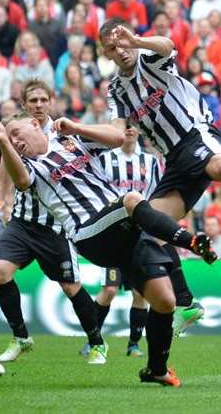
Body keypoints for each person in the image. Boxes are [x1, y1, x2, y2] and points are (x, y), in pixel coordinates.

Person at [0, 112, 216, 386]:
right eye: (10, 138)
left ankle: (156, 370)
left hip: (124, 233)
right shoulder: (30, 165)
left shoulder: (70, 140)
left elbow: (116, 137)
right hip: (89, 233)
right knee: (132, 199)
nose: (15, 141)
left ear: (34, 124)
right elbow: (21, 181)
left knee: (164, 301)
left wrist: (76, 126)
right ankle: (191, 242)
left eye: (16, 133)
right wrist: (4, 142)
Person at [99, 18, 221, 336]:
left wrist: (136, 40)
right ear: (106, 53)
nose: (120, 50)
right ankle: (186, 302)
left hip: (195, 133)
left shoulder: (149, 58)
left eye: (122, 41)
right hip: (173, 162)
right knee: (149, 227)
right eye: (113, 47)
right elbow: (114, 131)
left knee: (214, 164)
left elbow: (168, 45)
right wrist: (78, 131)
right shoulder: (116, 91)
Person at [0, 81, 105, 366]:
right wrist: (4, 198)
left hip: (55, 227)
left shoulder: (64, 133)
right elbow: (9, 167)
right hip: (22, 222)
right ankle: (21, 337)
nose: (40, 104)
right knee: (0, 272)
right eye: (33, 100)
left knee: (71, 288)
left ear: (51, 102)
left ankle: (96, 341)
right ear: (25, 106)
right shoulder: (17, 132)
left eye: (44, 99)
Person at [80, 121, 163, 358]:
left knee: (140, 293)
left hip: (141, 233)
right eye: (124, 125)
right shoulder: (105, 159)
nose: (129, 129)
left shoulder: (151, 162)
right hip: (114, 231)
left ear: (138, 130)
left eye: (133, 125)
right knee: (109, 290)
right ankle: (93, 340)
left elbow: (157, 195)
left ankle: (133, 344)